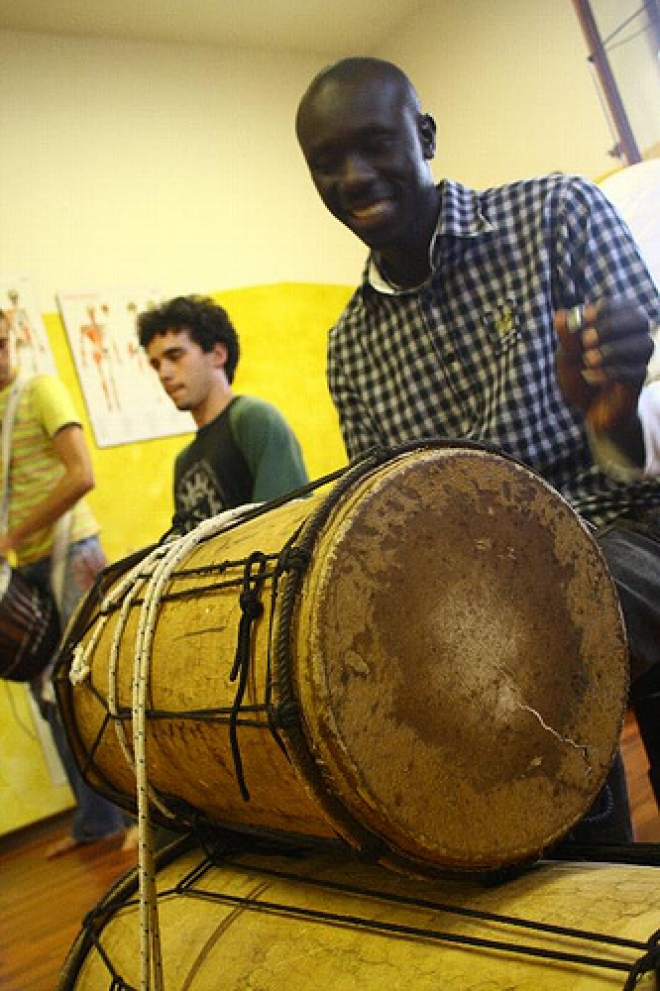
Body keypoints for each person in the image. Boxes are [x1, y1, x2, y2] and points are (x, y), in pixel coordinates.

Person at [296, 57, 660, 845]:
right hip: (490, 604)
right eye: (327, 164)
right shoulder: (349, 348)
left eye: (374, 146)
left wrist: (614, 407)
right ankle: (595, 900)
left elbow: (632, 443)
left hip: (629, 527)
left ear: (424, 136)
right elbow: (396, 518)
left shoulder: (557, 214)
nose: (354, 177)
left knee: (530, 646)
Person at [0, 310, 136, 857]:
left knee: (89, 683)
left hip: (69, 550)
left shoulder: (39, 390)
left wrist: (14, 535)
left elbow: (82, 473)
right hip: (27, 559)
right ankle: (95, 821)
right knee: (52, 693)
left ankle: (140, 815)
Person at [137, 294, 309, 533]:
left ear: (218, 355)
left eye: (174, 356)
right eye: (156, 364)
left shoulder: (253, 419)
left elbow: (286, 524)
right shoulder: (183, 462)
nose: (163, 373)